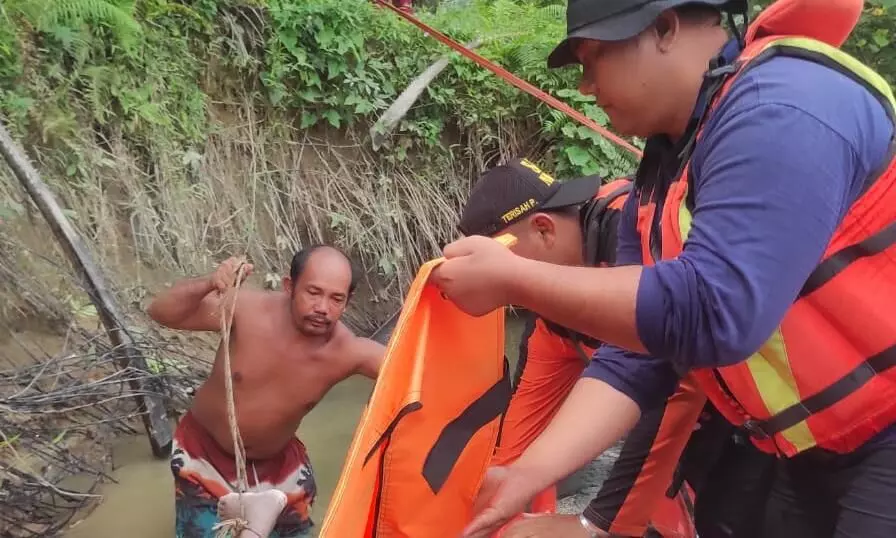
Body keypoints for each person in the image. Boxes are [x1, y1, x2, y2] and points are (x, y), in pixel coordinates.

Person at [431, 0, 896, 537]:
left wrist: (513, 278)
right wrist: (524, 474)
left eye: (593, 59)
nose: (585, 86)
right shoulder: (660, 175)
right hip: (813, 449)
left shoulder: (785, 106)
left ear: (665, 27)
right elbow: (640, 354)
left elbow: (717, 310)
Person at [461, 158, 775, 538]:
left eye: (501, 266)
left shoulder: (640, 237)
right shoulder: (550, 319)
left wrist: (595, 524)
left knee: (718, 513)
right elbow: (515, 450)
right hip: (666, 408)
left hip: (752, 407)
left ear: (544, 229)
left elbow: (676, 379)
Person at [147, 245, 385, 537]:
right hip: (204, 458)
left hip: (278, 470)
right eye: (313, 292)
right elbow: (161, 312)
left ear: (347, 303)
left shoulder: (348, 351)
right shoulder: (246, 309)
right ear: (289, 287)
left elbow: (414, 372)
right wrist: (211, 282)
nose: (322, 307)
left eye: (336, 298)